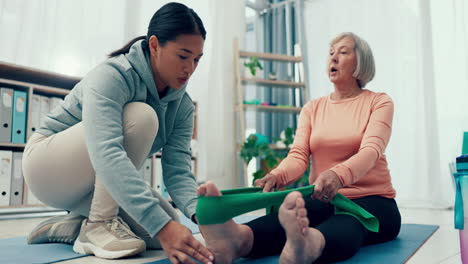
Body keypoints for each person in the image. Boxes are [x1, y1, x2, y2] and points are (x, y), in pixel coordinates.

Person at [22, 2, 214, 263]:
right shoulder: (113, 75)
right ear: (155, 45)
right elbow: (106, 152)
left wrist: (201, 215)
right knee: (142, 117)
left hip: (93, 180)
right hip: (45, 168)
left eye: (197, 59)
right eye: (183, 56)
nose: (190, 68)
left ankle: (72, 225)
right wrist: (163, 227)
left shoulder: (182, 105)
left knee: (168, 227)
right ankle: (98, 223)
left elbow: (178, 171)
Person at [197, 32, 401, 264]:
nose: (333, 58)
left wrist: (338, 175)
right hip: (325, 197)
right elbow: (299, 156)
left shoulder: (379, 102)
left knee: (348, 223)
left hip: (373, 201)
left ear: (361, 62)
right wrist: (276, 175)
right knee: (289, 218)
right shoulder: (313, 108)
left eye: (343, 52)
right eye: (331, 53)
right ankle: (236, 241)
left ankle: (308, 245)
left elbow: (371, 151)